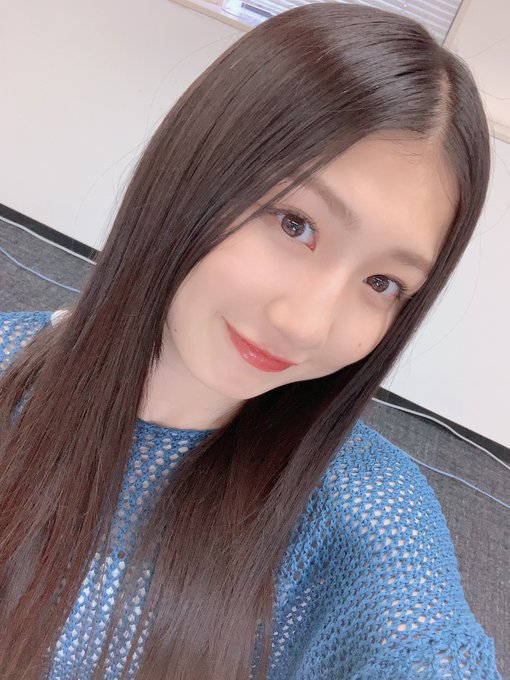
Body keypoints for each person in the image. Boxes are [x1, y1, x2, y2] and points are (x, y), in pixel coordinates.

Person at [0, 3, 502, 679]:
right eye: (296, 223)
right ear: (195, 171)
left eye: (382, 282)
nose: (306, 324)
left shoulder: (366, 517)